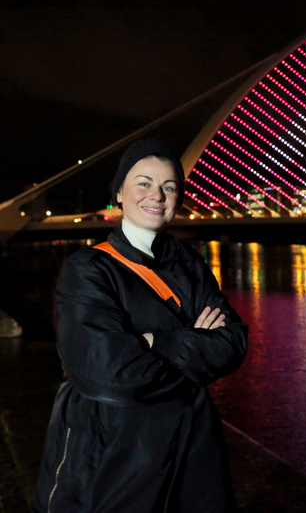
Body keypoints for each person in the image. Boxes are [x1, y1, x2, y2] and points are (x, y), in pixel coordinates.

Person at [34, 139, 248, 512]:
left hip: (192, 443)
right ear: (119, 192)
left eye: (169, 187)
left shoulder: (188, 261)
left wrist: (151, 343)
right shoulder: (88, 269)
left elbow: (233, 343)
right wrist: (194, 347)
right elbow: (103, 371)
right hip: (114, 448)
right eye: (144, 183)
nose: (157, 195)